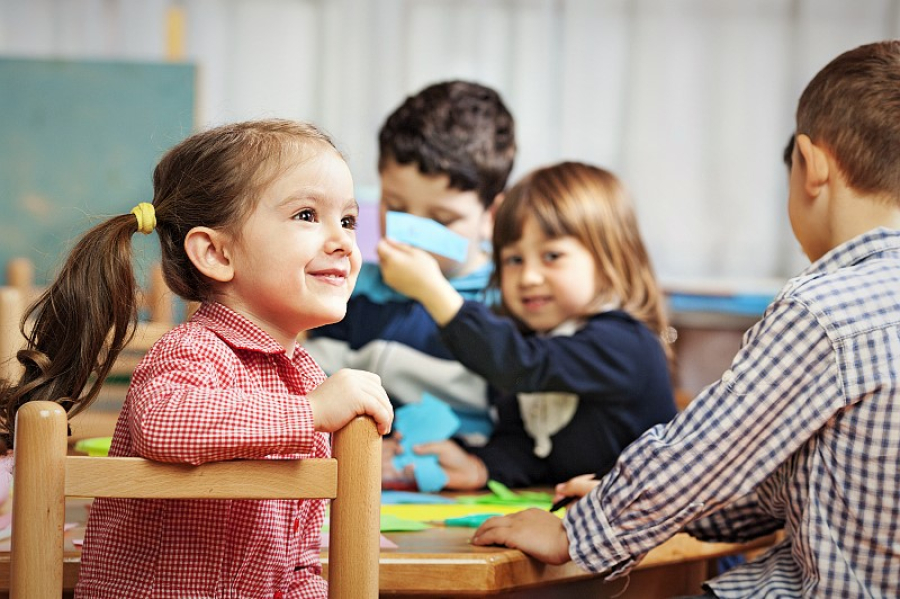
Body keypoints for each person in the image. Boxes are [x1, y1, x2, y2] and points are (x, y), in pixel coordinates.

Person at [471, 40, 900, 598]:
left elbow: (701, 452)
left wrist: (577, 529)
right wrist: (627, 502)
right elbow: (806, 486)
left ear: (811, 165)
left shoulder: (826, 311)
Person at [0, 119, 394, 598]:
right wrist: (311, 412)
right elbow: (164, 423)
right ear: (215, 253)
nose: (343, 242)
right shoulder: (195, 349)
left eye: (349, 220)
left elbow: (295, 558)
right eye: (307, 215)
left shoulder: (306, 376)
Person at [378, 161, 677, 490]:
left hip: (655, 534)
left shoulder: (625, 343)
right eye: (514, 260)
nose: (529, 278)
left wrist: (434, 293)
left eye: (552, 256)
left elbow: (522, 363)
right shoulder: (535, 338)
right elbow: (527, 449)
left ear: (609, 260)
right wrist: (479, 467)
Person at [304, 80, 516, 448]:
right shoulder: (354, 290)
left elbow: (524, 425)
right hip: (363, 479)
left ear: (491, 216)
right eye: (397, 209)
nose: (411, 234)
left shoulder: (510, 304)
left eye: (442, 220)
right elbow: (314, 389)